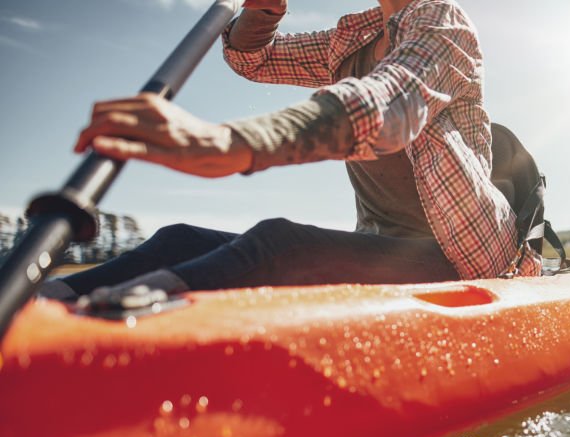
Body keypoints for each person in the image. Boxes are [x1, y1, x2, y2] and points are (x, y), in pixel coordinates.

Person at [40, 0, 539, 306]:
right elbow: (254, 60)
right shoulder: (352, 40)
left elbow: (390, 101)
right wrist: (262, 13)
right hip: (382, 249)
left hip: (459, 258)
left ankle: (113, 325)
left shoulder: (444, 25)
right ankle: (46, 304)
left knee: (282, 244)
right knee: (179, 238)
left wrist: (228, 143)